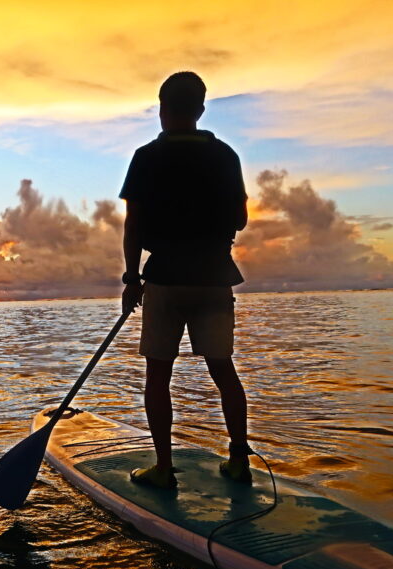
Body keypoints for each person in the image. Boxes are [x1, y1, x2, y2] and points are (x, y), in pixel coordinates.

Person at [119, 71, 254, 489]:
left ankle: (163, 469)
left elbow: (133, 227)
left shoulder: (145, 156)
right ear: (200, 109)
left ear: (162, 109)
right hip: (214, 278)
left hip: (165, 278)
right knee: (224, 370)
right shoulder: (226, 155)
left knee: (158, 376)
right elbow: (241, 220)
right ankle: (238, 460)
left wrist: (131, 278)